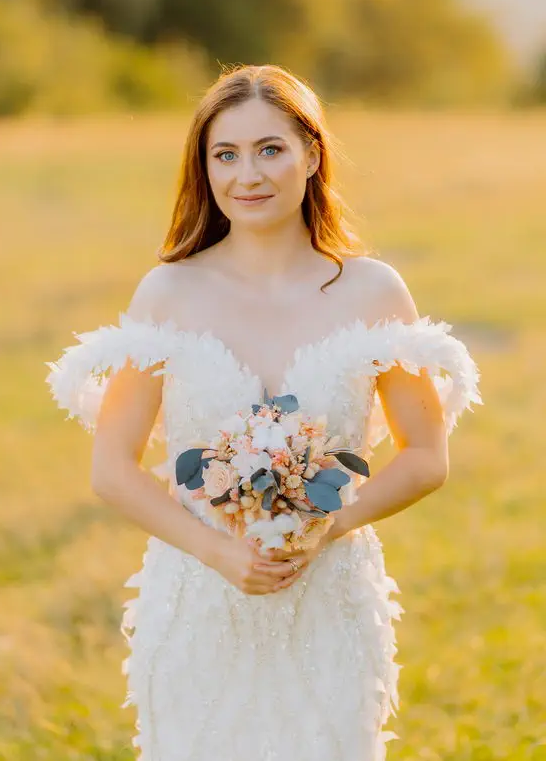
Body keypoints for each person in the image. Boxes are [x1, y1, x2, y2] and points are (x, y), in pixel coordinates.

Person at [47, 65, 481, 760]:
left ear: (312, 155)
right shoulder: (168, 292)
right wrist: (218, 551)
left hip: (329, 600)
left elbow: (427, 455)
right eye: (226, 154)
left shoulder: (372, 291)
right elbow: (111, 469)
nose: (247, 174)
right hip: (198, 599)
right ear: (206, 167)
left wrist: (333, 524)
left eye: (270, 149)